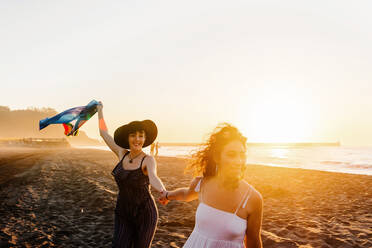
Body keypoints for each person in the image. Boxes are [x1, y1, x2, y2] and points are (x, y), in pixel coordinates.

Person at [159, 123, 263, 248]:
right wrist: (167, 195)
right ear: (217, 157)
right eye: (231, 154)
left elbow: (254, 242)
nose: (238, 161)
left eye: (242, 155)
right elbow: (186, 194)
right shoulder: (202, 183)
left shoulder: (252, 199)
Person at [97, 102, 167, 248]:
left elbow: (154, 177)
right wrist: (100, 111)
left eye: (141, 136)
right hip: (123, 211)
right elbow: (104, 133)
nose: (137, 139)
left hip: (145, 213)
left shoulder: (148, 160)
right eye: (133, 135)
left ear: (145, 139)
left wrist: (162, 191)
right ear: (127, 138)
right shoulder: (122, 153)